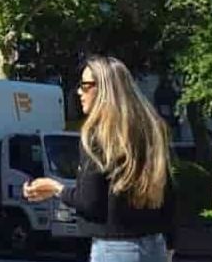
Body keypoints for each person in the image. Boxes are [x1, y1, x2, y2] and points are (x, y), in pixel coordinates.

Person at [23, 56, 175, 261]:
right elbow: (169, 195)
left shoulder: (97, 135)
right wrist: (170, 245)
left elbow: (91, 203)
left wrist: (55, 188)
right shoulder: (150, 131)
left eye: (85, 86)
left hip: (114, 249)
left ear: (105, 90)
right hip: (155, 245)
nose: (79, 92)